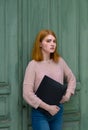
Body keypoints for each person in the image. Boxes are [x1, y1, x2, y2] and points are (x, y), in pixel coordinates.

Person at [23, 29, 76, 130]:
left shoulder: (60, 61)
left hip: (57, 110)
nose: (52, 44)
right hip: (40, 112)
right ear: (40, 44)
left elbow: (72, 78)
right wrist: (48, 108)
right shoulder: (33, 65)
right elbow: (27, 93)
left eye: (54, 41)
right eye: (48, 41)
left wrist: (68, 94)